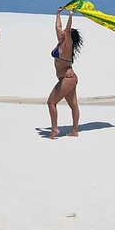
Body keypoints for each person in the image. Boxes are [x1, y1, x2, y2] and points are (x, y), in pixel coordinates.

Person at [47, 7, 83, 139]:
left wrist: (71, 15)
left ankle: (55, 130)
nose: (61, 32)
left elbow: (67, 30)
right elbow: (58, 27)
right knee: (73, 105)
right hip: (68, 78)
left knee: (51, 102)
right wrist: (58, 13)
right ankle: (74, 131)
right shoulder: (60, 42)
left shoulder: (67, 46)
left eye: (65, 33)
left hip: (67, 78)